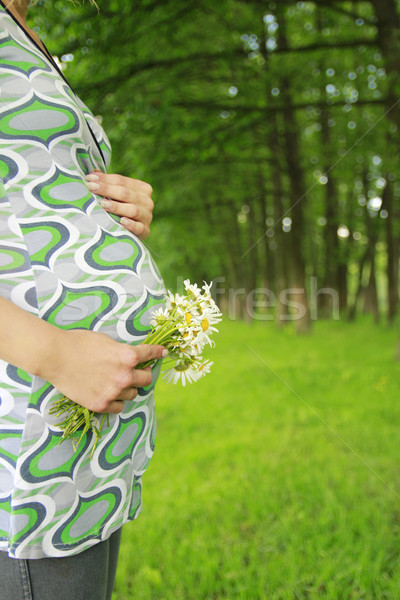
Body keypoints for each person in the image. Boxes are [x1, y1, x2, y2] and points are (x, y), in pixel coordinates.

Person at [0, 1, 167, 598]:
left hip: (85, 426)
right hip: (25, 407)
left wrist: (114, 208)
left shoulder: (24, 27)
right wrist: (51, 352)